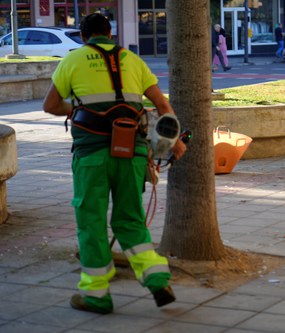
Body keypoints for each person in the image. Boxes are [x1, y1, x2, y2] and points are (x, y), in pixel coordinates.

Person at [42, 13, 186, 314]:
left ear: (84, 37)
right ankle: (157, 278)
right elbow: (162, 106)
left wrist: (78, 108)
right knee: (129, 219)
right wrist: (172, 143)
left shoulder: (73, 59)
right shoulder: (133, 60)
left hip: (92, 155)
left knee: (91, 220)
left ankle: (96, 294)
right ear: (111, 34)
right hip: (131, 152)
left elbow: (51, 105)